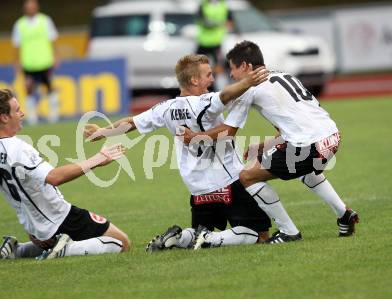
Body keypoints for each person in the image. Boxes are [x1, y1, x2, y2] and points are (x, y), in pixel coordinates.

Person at [84, 54, 283, 252]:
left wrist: (102, 132)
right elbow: (225, 95)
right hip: (228, 181)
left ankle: (179, 238)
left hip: (197, 188)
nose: (212, 79)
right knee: (259, 235)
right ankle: (208, 238)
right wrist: (248, 81)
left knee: (196, 233)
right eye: (208, 75)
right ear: (194, 80)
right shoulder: (203, 102)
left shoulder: (165, 108)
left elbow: (131, 123)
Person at [181, 40, 359, 243]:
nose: (231, 75)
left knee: (247, 176)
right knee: (306, 171)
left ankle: (289, 231)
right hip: (332, 136)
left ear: (246, 66)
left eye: (233, 68)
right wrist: (264, 145)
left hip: (309, 145)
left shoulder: (249, 88)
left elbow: (228, 132)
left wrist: (194, 137)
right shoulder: (284, 75)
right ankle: (343, 214)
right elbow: (293, 125)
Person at [0, 89, 130, 261]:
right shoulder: (18, 148)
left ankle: (16, 250)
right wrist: (98, 158)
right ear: (4, 117)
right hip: (59, 217)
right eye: (17, 110)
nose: (22, 113)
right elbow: (54, 177)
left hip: (33, 228)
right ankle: (65, 249)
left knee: (85, 241)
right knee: (122, 243)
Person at [12, 0, 59, 125]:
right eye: (28, 7)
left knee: (50, 88)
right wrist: (17, 63)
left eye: (32, 7)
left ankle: (53, 115)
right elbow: (16, 46)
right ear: (24, 9)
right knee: (29, 90)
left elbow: (53, 39)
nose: (30, 9)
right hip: (29, 64)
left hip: (45, 61)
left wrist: (56, 57)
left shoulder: (45, 20)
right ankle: (32, 117)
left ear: (37, 7)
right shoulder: (20, 24)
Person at [195, 0, 233, 90]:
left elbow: (230, 23)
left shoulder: (224, 6)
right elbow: (202, 21)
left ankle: (215, 89)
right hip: (203, 41)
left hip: (217, 42)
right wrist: (219, 23)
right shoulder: (203, 5)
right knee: (196, 66)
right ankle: (200, 88)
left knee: (218, 67)